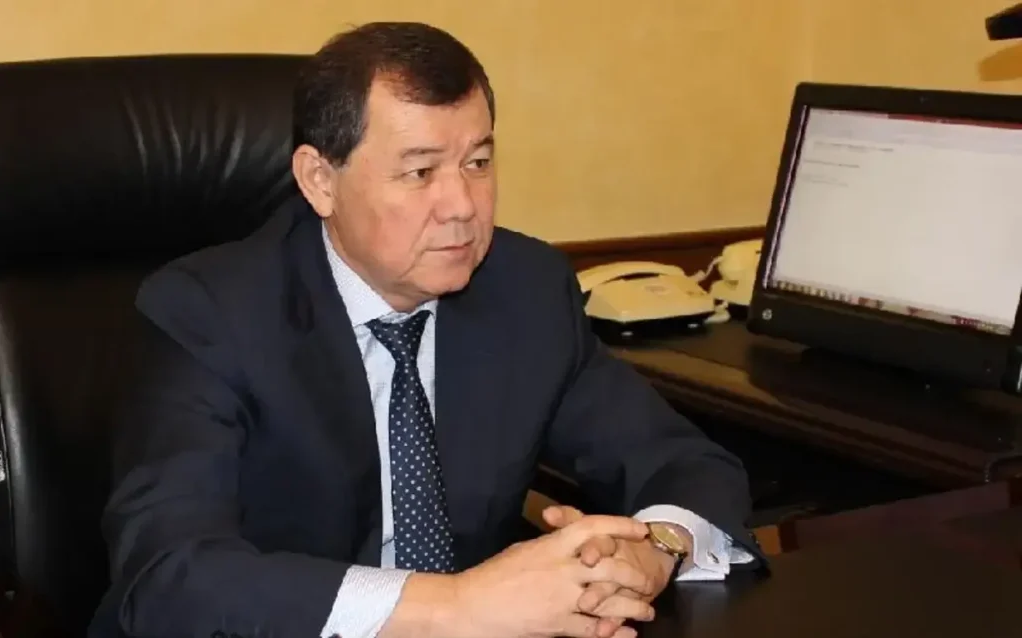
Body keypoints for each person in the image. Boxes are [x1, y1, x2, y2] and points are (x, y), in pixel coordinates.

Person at [89, 21, 765, 638]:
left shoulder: (524, 290)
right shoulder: (208, 313)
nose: (462, 206)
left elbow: (685, 463)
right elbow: (170, 578)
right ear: (320, 181)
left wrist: (653, 549)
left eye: (478, 162)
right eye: (419, 172)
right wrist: (455, 605)